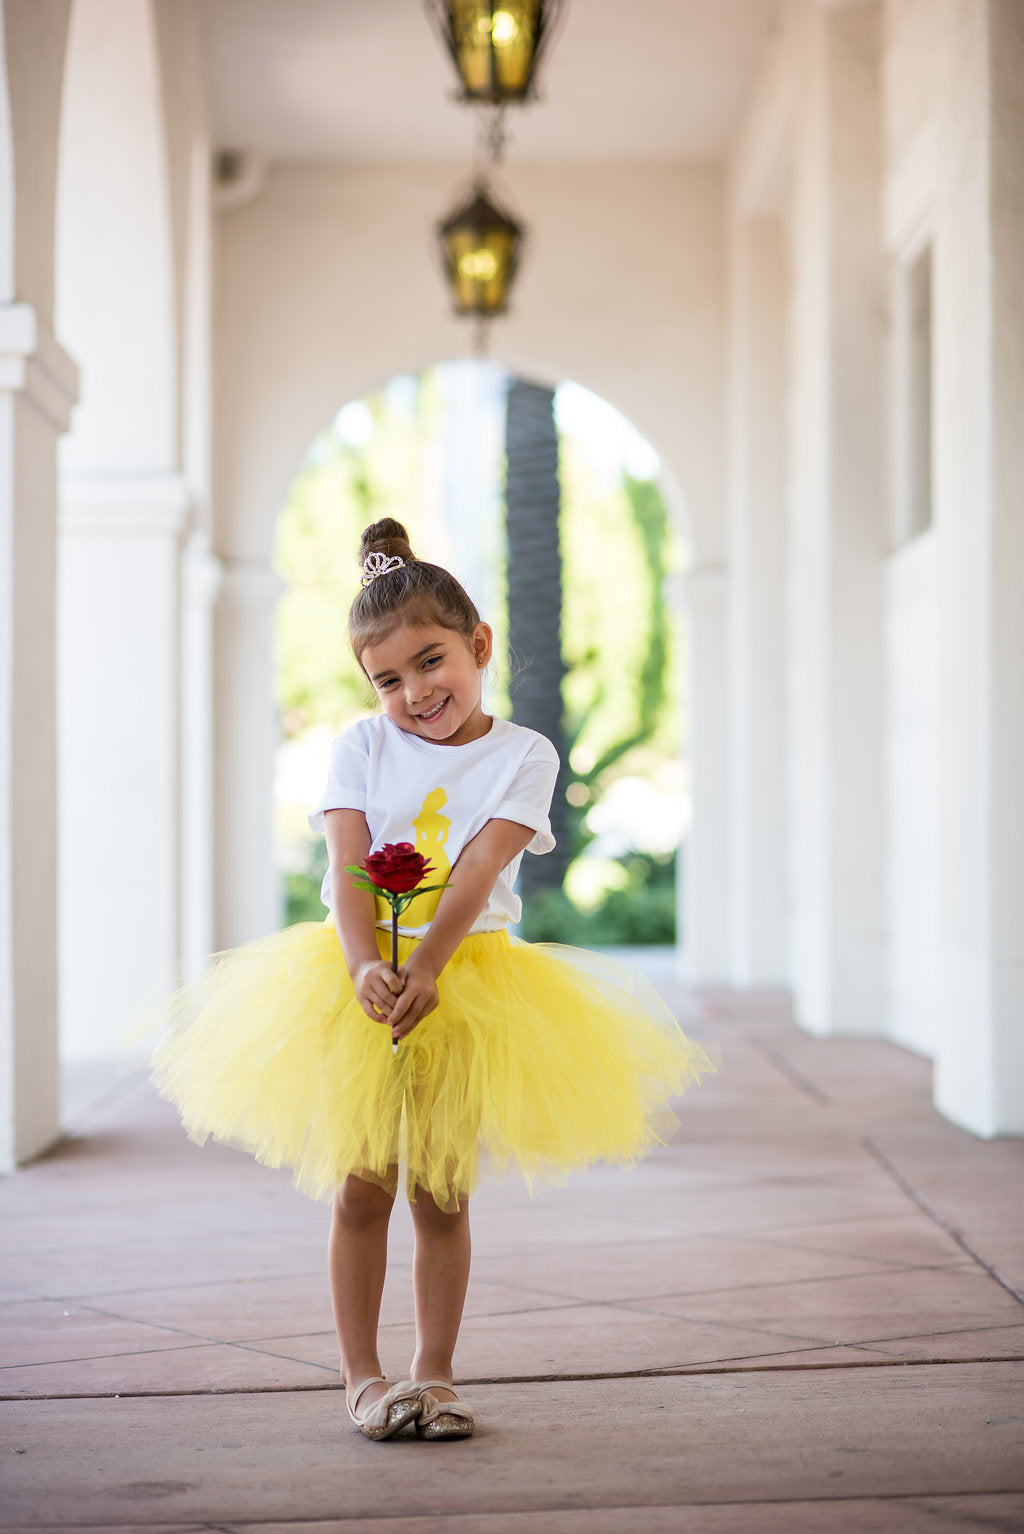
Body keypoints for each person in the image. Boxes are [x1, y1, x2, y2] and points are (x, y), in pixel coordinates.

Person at [150, 517, 715, 1443]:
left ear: (478, 645)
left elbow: (480, 869)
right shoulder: (361, 749)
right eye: (388, 679)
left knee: (441, 1193)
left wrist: (426, 970)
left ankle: (437, 1375)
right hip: (358, 976)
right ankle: (364, 1380)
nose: (415, 692)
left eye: (431, 661)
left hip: (467, 981)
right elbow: (344, 867)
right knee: (363, 1186)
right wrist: (370, 963)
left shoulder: (524, 754)